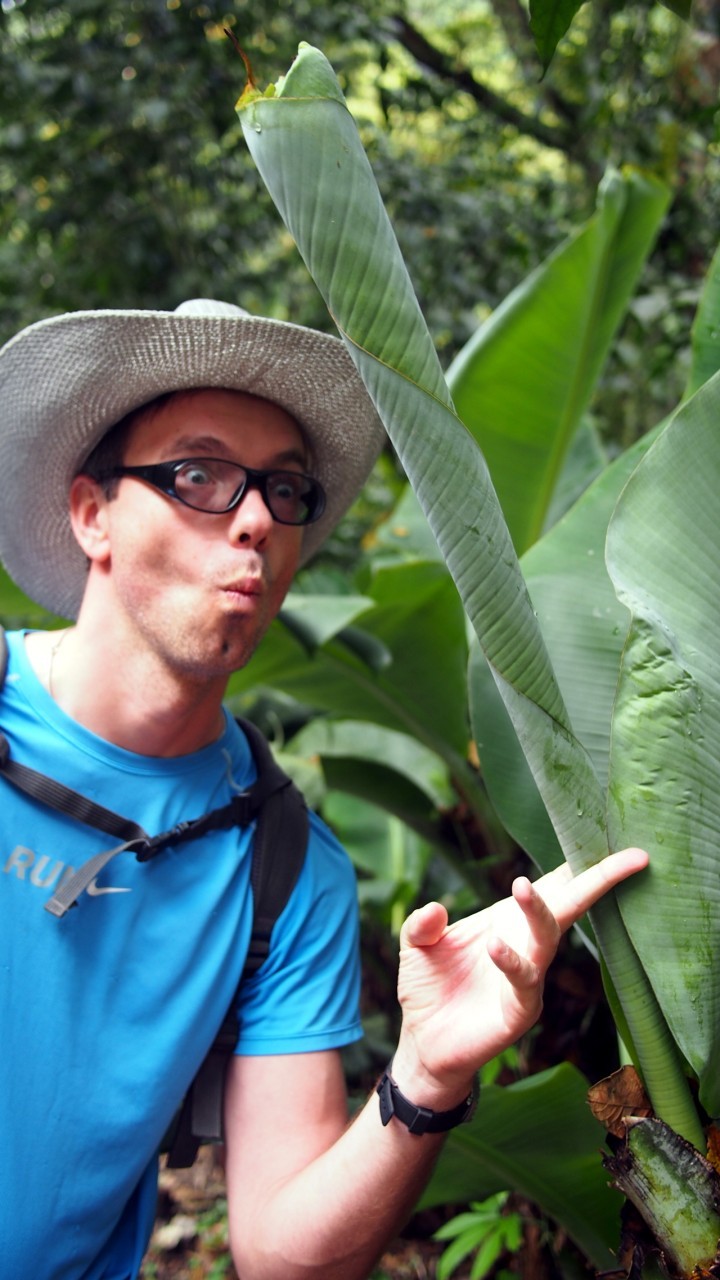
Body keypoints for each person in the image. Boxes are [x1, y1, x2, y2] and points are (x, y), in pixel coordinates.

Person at [0, 298, 648, 1280]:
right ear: (93, 514)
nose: (258, 517)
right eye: (199, 474)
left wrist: (427, 1071)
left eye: (284, 487)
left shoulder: (285, 865)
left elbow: (281, 1255)